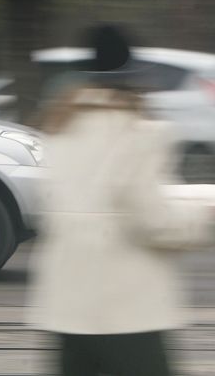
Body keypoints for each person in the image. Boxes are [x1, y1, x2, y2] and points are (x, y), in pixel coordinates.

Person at [30, 35, 215, 374]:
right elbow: (153, 220)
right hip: (127, 312)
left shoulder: (57, 131)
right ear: (132, 80)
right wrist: (202, 219)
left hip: (67, 310)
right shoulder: (141, 133)